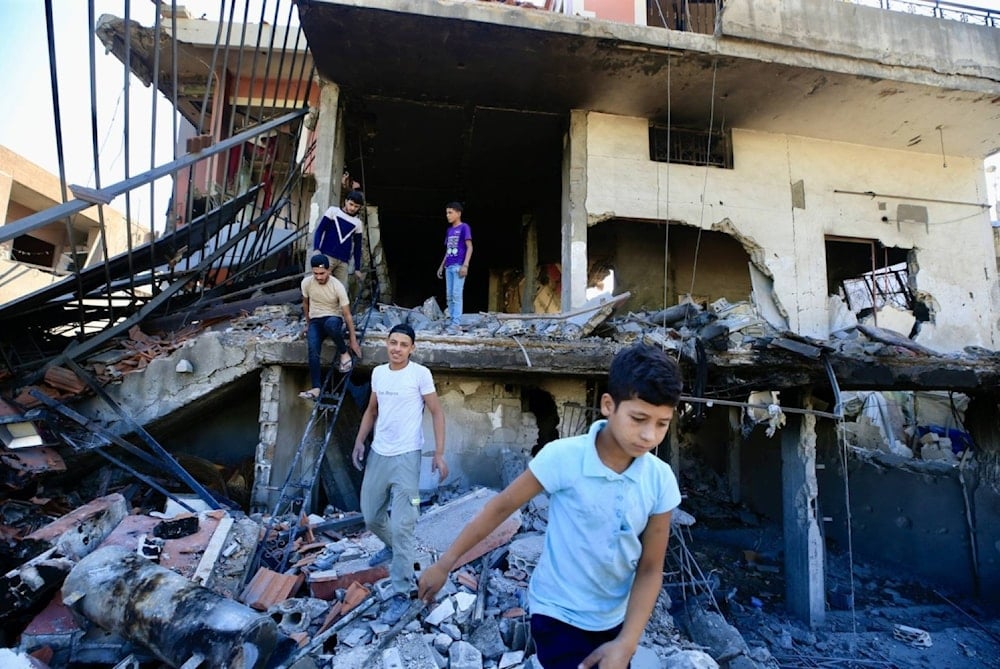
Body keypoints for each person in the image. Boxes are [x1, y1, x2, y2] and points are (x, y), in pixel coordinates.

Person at [418, 343, 683, 669]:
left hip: (615, 619)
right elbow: (501, 508)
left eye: (661, 423)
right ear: (608, 405)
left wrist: (627, 642)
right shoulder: (563, 458)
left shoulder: (659, 480)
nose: (648, 435)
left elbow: (650, 567)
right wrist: (446, 563)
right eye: (639, 418)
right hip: (557, 613)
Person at [352, 324, 448, 624]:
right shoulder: (379, 373)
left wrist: (440, 453)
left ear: (412, 348)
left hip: (408, 458)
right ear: (387, 344)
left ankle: (401, 593)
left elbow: (436, 412)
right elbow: (371, 410)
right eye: (392, 343)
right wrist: (359, 441)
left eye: (403, 344)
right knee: (370, 514)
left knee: (404, 523)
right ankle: (392, 546)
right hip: (380, 453)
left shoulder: (420, 374)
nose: (396, 348)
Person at [299, 254, 362, 400]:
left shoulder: (337, 286)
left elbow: (347, 315)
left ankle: (343, 353)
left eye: (322, 273)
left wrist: (353, 340)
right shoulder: (306, 283)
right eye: (316, 274)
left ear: (329, 271)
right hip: (315, 320)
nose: (319, 277)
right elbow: (306, 304)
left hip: (333, 317)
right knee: (312, 346)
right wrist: (308, 324)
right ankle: (316, 387)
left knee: (331, 325)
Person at [313, 189, 365, 290]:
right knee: (319, 286)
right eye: (351, 204)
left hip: (343, 261)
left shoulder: (358, 223)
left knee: (341, 291)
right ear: (346, 201)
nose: (353, 208)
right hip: (327, 256)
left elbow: (358, 247)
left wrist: (357, 268)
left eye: (356, 206)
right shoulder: (333, 211)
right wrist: (316, 248)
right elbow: (320, 230)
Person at [435, 202, 473, 332]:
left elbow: (470, 247)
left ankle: (456, 324)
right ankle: (452, 321)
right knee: (449, 296)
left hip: (458, 266)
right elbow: (448, 250)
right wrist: (442, 266)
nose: (448, 215)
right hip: (449, 266)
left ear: (458, 213)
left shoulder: (464, 227)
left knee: (457, 295)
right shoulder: (449, 230)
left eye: (450, 212)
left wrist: (465, 265)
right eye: (447, 213)